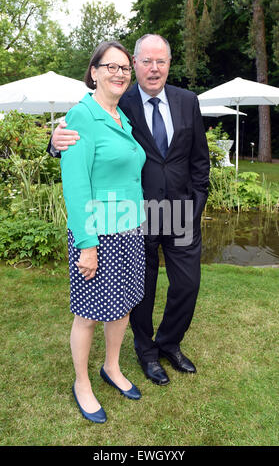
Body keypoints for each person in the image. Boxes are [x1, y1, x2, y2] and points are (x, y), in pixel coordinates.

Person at [49, 34, 210, 387]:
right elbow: (80, 129)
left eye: (161, 62)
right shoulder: (123, 98)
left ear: (169, 64)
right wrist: (54, 142)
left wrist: (197, 204)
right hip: (137, 213)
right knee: (141, 289)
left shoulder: (187, 101)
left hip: (180, 212)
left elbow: (200, 158)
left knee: (187, 285)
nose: (153, 69)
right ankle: (146, 353)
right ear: (134, 65)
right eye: (145, 62)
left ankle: (169, 343)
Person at [59, 40, 146, 424]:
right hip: (97, 234)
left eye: (125, 68)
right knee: (88, 315)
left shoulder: (120, 117)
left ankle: (111, 367)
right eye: (110, 66)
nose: (119, 73)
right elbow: (76, 187)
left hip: (130, 228)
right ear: (93, 72)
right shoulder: (82, 116)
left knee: (123, 305)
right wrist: (87, 244)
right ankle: (82, 382)